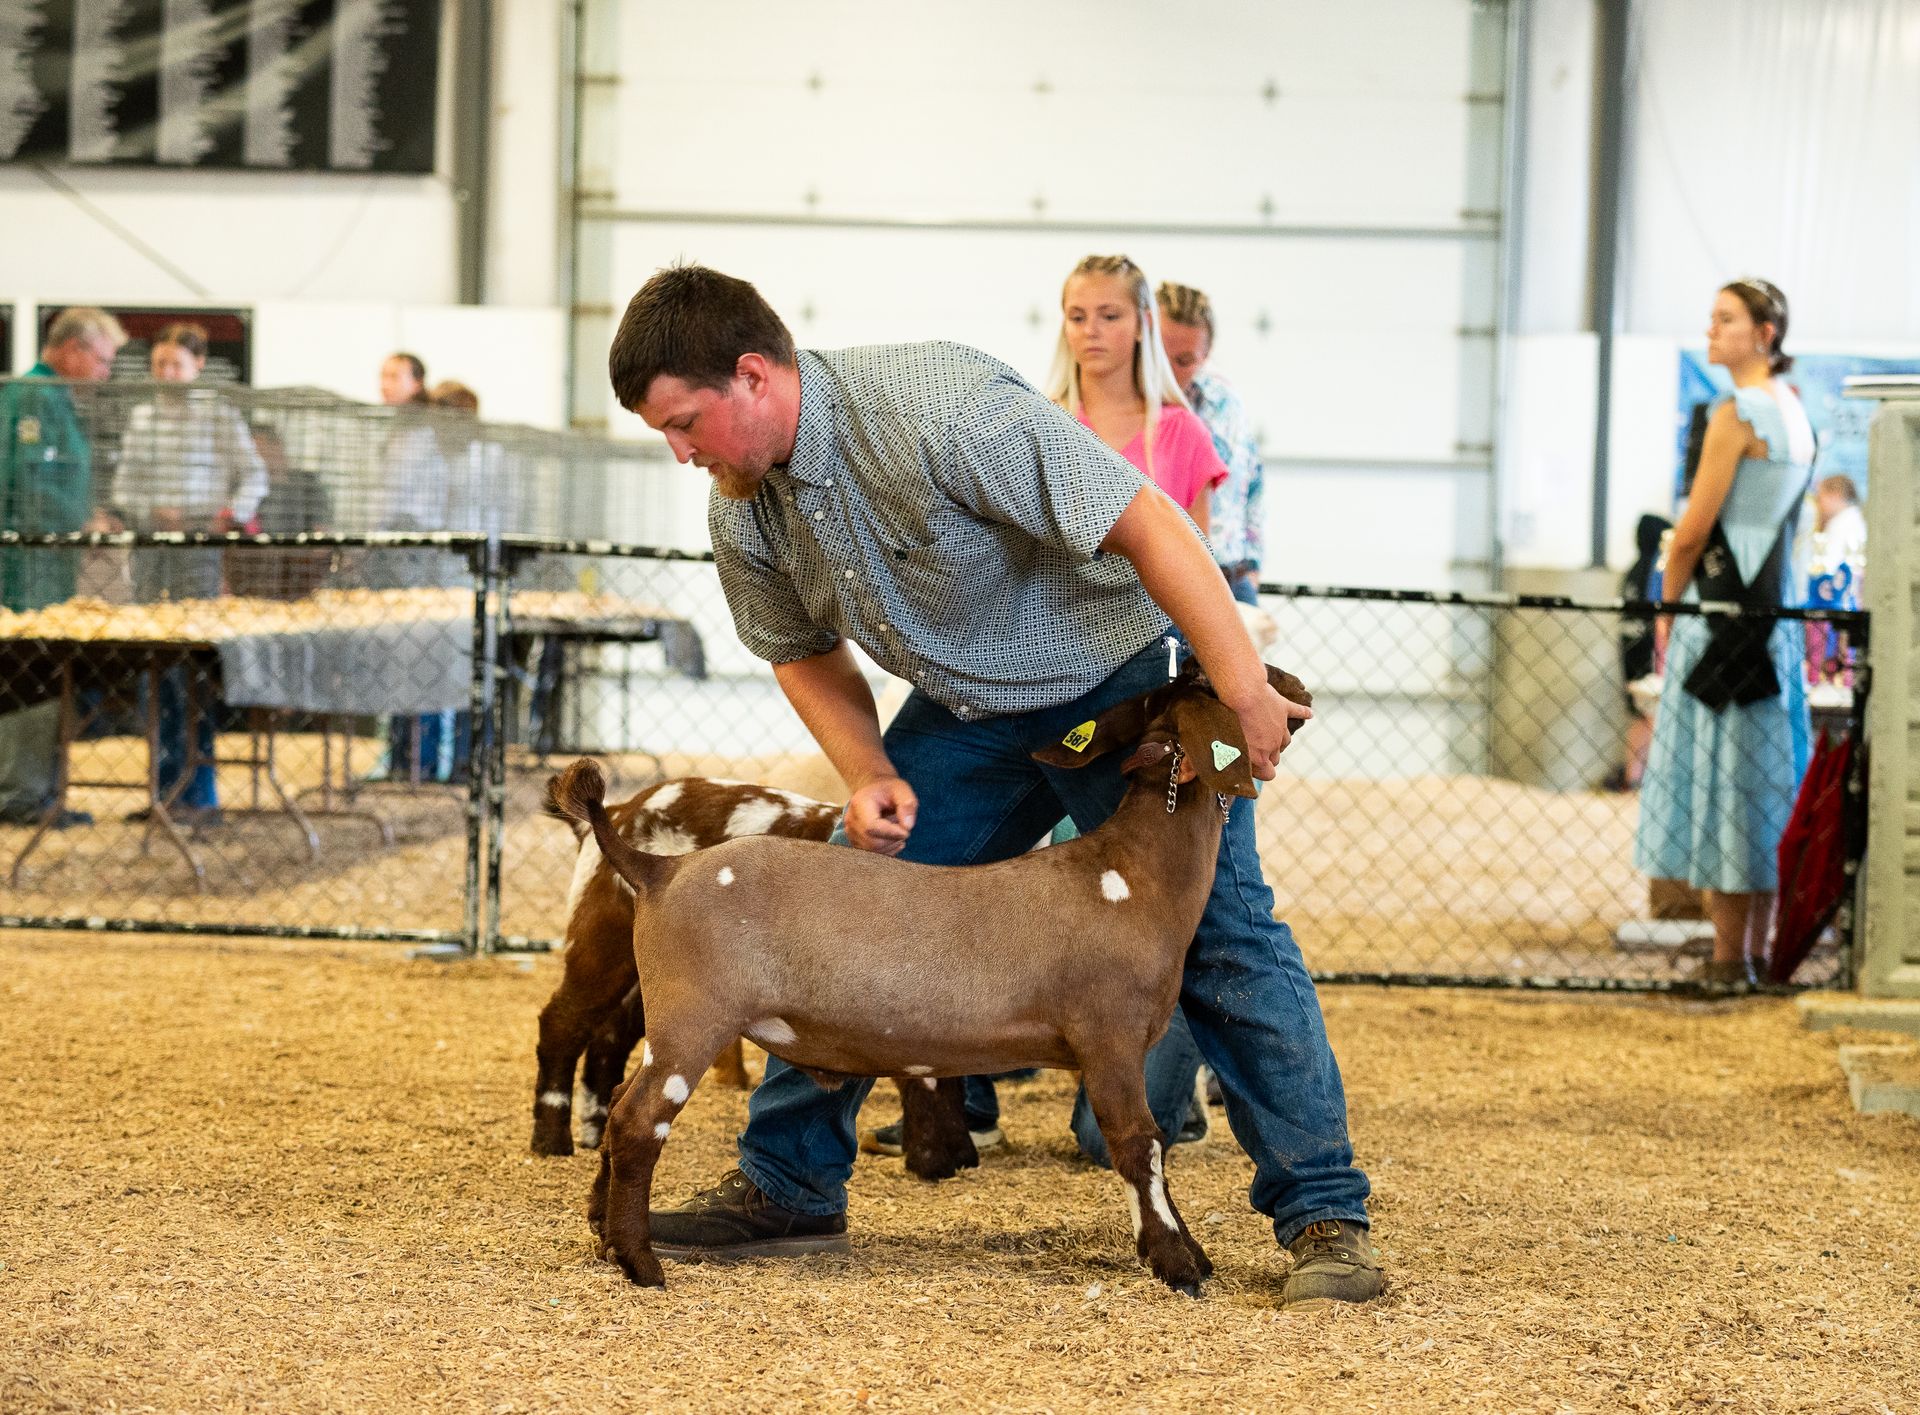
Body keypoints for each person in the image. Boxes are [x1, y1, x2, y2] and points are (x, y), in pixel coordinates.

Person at [607, 263, 1381, 1309]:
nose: (682, 451)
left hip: (1114, 682)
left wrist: (1240, 688)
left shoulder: (942, 408)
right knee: (838, 904)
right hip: (970, 710)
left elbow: (1150, 521)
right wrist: (869, 770)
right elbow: (800, 649)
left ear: (752, 375)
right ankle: (788, 1184)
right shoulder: (745, 507)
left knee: (1223, 933)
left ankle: (1324, 1213)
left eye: (685, 423)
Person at [1634, 277, 1814, 985]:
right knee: (1761, 776)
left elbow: (1692, 531)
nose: (1711, 330)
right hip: (1773, 612)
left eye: (1726, 319)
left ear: (1765, 333)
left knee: (1722, 775)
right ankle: (1757, 950)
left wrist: (1665, 607)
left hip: (1718, 614)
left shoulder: (1737, 413)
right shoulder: (1794, 412)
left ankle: (1727, 958)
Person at [107, 323, 270, 817]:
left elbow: (253, 475)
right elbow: (124, 486)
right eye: (159, 363)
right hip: (151, 549)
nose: (167, 373)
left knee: (191, 669)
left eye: (176, 364)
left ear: (198, 365)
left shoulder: (219, 416)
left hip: (199, 551)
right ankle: (161, 791)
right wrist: (149, 511)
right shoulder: (143, 417)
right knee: (152, 665)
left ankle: (198, 792)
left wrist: (228, 515)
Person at [0, 307, 126, 826]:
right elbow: (29, 482)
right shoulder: (35, 396)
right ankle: (20, 793)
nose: (105, 373)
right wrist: (82, 521)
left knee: (44, 668)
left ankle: (39, 790)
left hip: (48, 559)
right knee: (30, 666)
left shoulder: (55, 399)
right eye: (103, 360)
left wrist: (86, 516)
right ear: (73, 349)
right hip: (26, 561)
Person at [1046, 255, 1225, 536]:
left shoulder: (1185, 433)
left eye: (1109, 316)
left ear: (1144, 323)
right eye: (1077, 318)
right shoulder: (1044, 427)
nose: (1091, 331)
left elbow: (1200, 557)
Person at [1156, 281, 1268, 605]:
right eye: (1159, 357)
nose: (1168, 372)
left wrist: (1252, 565)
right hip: (1159, 581)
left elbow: (1253, 478)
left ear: (1205, 355)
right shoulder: (1123, 406)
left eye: (1184, 360)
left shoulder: (1225, 402)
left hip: (1229, 574)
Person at [1805, 475, 1864, 683]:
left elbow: (1828, 564)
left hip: (1835, 597)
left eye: (1821, 497)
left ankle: (1818, 676)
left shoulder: (1842, 524)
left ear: (1835, 495)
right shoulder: (1851, 520)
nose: (1818, 504)